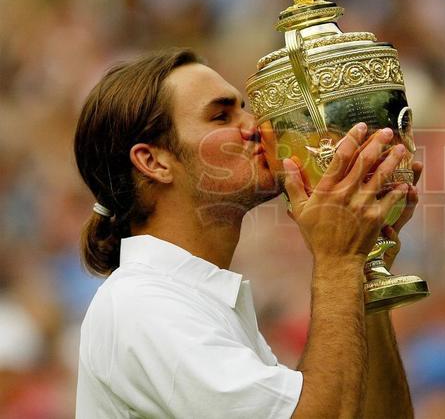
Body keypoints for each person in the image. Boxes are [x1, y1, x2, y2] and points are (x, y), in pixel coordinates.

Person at [73, 48, 421, 418]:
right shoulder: (141, 304)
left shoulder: (189, 298)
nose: (260, 127)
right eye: (221, 116)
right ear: (153, 161)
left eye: (245, 108)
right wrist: (338, 261)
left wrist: (364, 263)